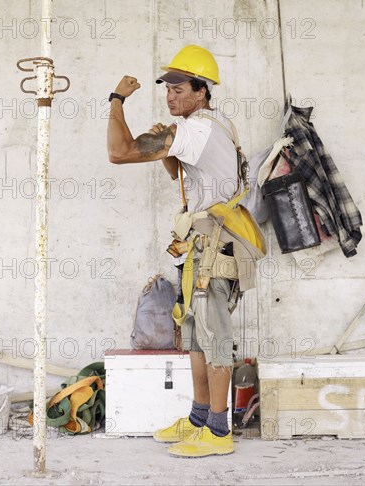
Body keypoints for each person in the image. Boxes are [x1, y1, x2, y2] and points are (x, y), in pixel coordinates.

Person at [107, 45, 258, 458]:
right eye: (167, 88)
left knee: (215, 339)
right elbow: (186, 172)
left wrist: (116, 101)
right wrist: (168, 152)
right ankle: (199, 419)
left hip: (213, 248)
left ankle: (219, 432)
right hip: (199, 247)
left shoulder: (197, 129)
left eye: (178, 87)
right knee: (194, 336)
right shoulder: (207, 126)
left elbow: (119, 153)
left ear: (202, 90)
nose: (170, 95)